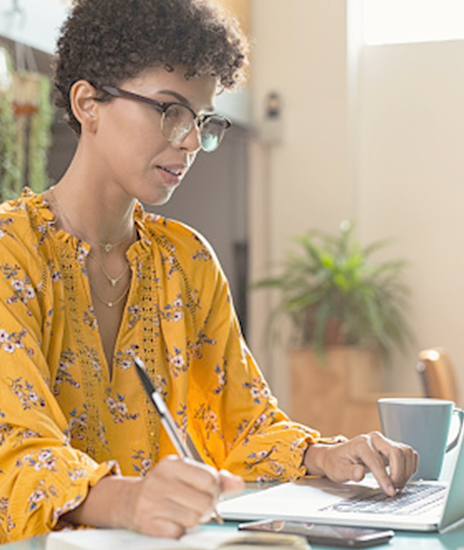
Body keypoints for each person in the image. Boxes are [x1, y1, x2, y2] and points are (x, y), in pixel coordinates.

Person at [0, 0, 418, 543]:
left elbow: (246, 423)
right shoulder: (13, 251)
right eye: (170, 110)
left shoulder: (187, 260)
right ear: (88, 103)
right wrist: (130, 499)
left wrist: (325, 453)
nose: (192, 140)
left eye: (201, 120)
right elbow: (14, 448)